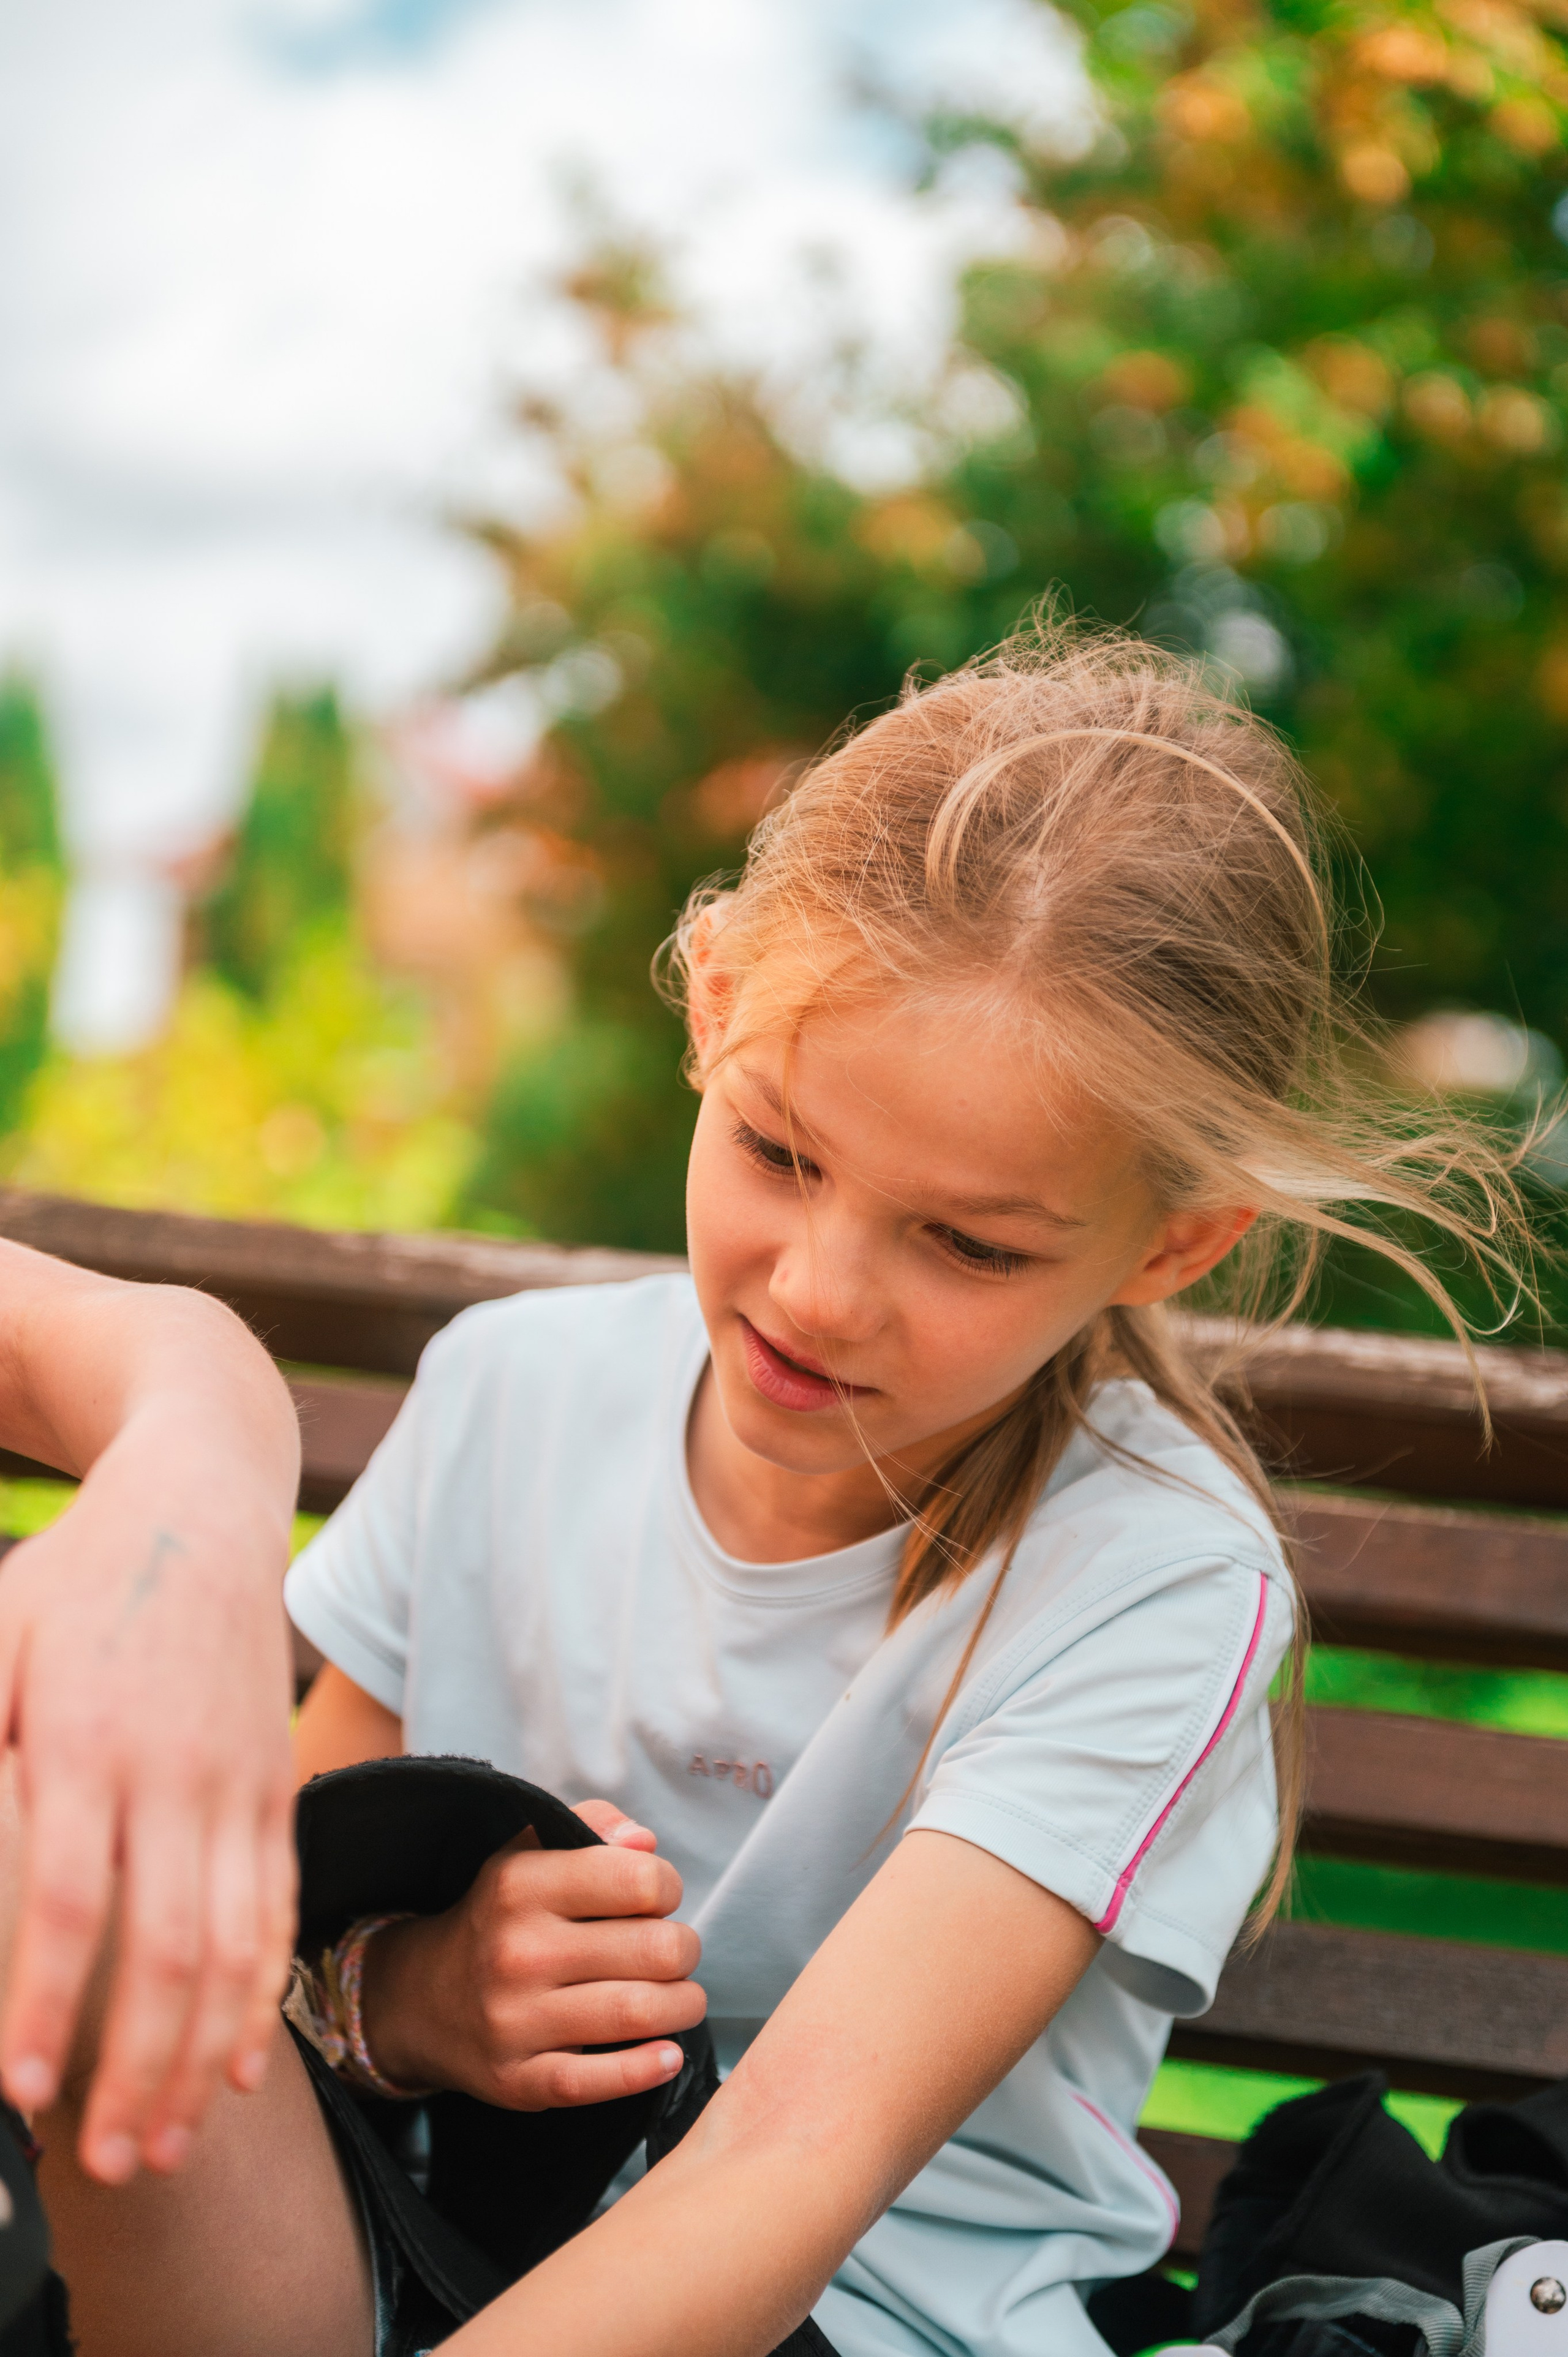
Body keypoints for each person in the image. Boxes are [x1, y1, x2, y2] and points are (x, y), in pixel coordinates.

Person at [19, 627, 1533, 2357]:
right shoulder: (516, 1389)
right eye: (779, 1152)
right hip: (402, 2244)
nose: (819, 1288)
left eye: (966, 1242)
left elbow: (790, 2166)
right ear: (716, 1001)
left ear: (1175, 1243)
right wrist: (406, 2005)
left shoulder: (1158, 1577)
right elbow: (267, 1947)